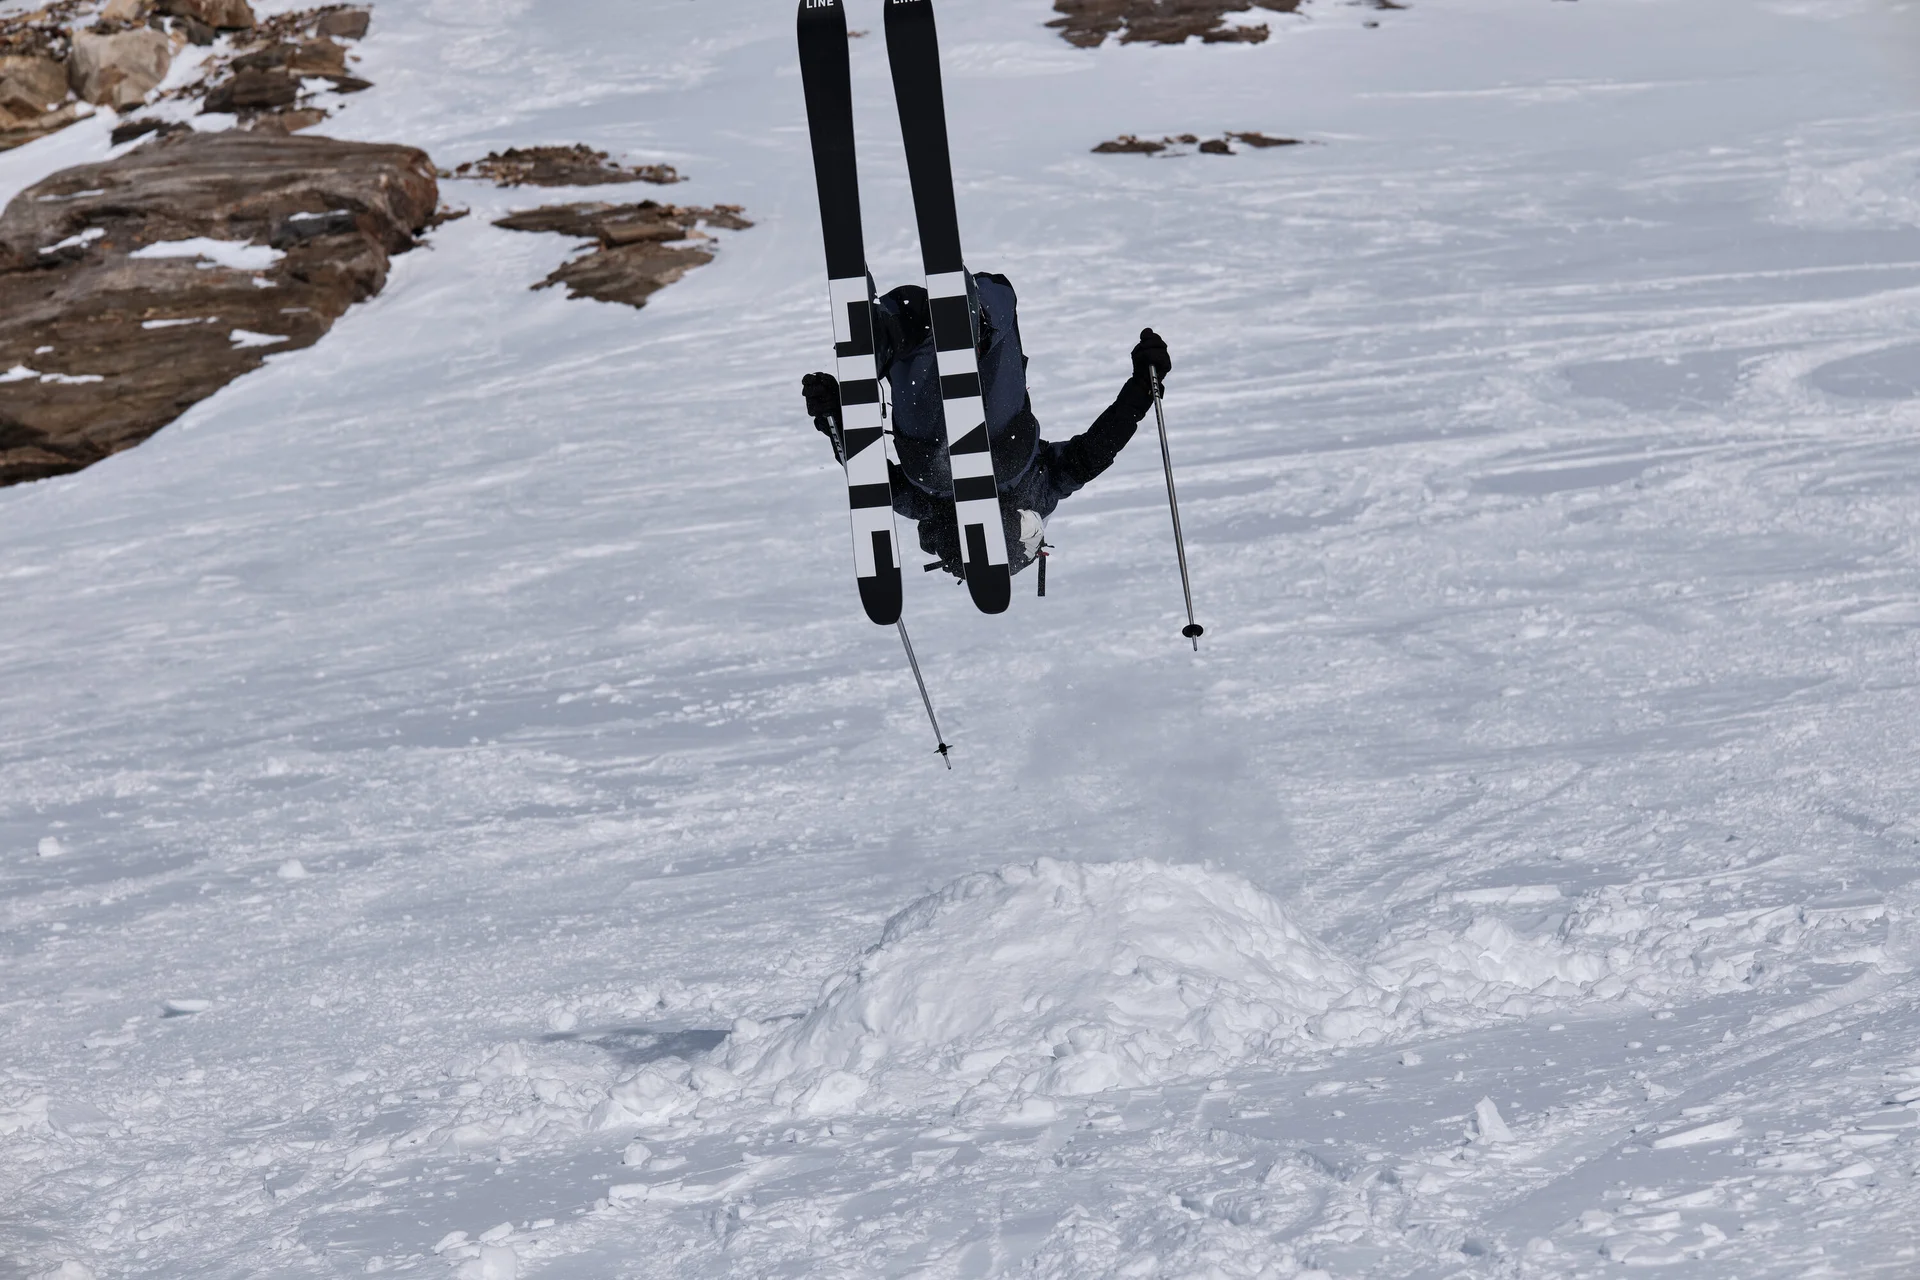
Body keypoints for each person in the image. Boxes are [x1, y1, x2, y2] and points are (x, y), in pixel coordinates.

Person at [802, 271, 1171, 579]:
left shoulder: (1043, 492)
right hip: (935, 455)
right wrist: (836, 420)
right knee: (924, 340)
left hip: (983, 445)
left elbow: (1097, 450)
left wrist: (834, 416)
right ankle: (900, 332)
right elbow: (871, 477)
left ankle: (949, 328)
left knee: (996, 294)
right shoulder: (1035, 491)